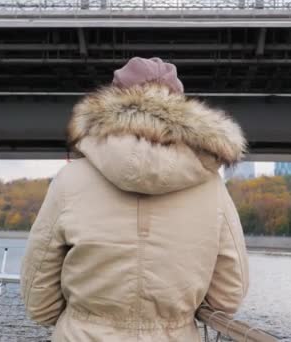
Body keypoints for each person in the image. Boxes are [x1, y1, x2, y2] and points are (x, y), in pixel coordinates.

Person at [21, 57, 249, 342]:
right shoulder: (211, 187)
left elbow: (38, 289)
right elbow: (229, 293)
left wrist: (80, 320)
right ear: (182, 109)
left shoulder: (70, 180)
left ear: (110, 103)